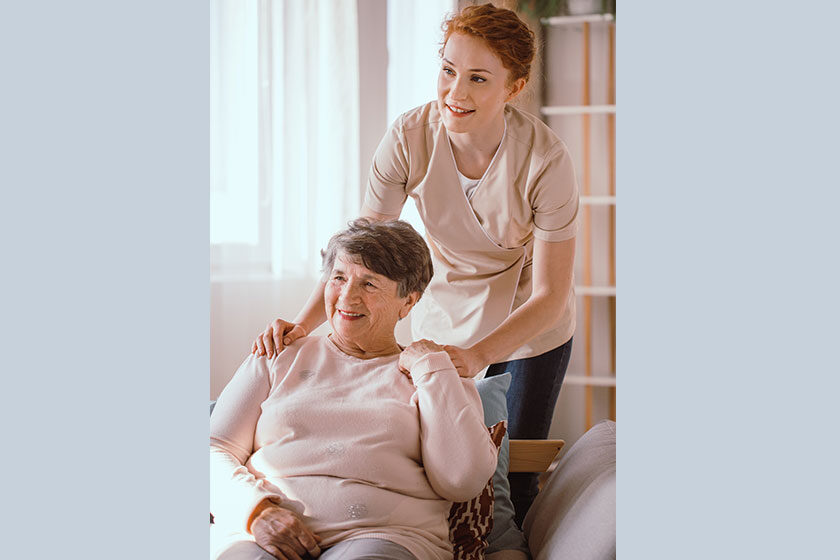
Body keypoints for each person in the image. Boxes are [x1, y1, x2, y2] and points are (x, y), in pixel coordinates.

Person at [252, 3, 578, 527]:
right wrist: (302, 325)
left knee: (514, 481)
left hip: (527, 325)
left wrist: (479, 356)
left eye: (478, 78)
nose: (456, 92)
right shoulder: (410, 136)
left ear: (513, 88)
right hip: (443, 315)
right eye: (448, 70)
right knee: (436, 459)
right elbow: (360, 252)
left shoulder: (546, 161)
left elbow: (551, 295)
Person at [211, 219, 498, 560]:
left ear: (408, 302)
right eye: (339, 278)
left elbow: (462, 480)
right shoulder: (277, 355)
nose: (348, 296)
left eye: (370, 284)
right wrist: (256, 511)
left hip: (386, 537)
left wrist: (431, 368)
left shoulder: (433, 374)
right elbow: (213, 449)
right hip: (261, 535)